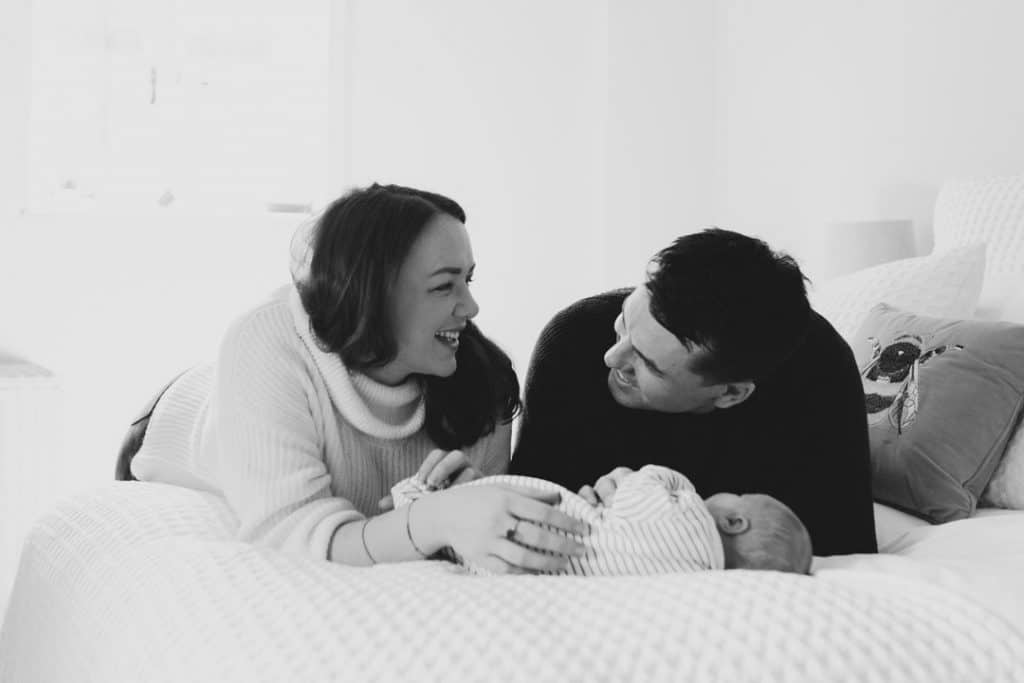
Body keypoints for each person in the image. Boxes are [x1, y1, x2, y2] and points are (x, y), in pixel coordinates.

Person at [124, 183, 589, 573]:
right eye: (444, 285)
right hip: (176, 422)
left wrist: (470, 496)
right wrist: (434, 520)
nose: (471, 307)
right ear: (373, 293)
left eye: (469, 280)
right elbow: (291, 537)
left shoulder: (486, 386)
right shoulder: (264, 342)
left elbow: (472, 538)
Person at [510, 229, 877, 557]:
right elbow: (524, 517)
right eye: (623, 324)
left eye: (647, 364)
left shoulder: (820, 376)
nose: (611, 357)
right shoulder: (573, 341)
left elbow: (840, 550)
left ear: (731, 394)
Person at [390, 464, 812, 576]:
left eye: (735, 497)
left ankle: (410, 506)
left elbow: (646, 485)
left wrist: (643, 476)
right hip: (540, 567)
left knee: (507, 497)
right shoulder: (694, 571)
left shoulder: (687, 519)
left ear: (735, 522)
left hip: (556, 530)